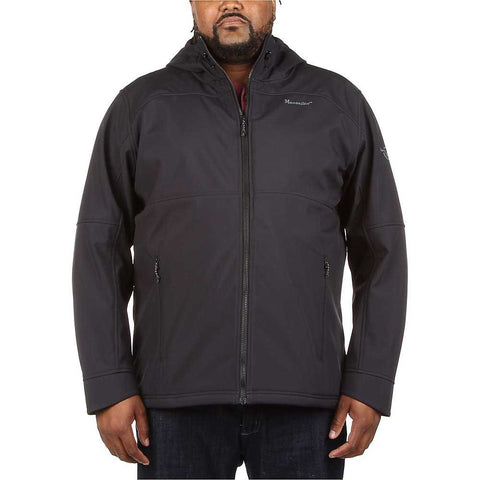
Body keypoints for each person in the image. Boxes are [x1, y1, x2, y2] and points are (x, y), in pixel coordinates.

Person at [71, 1, 408, 478]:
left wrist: (370, 381)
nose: (230, 2)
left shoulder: (336, 103)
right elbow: (98, 250)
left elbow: (381, 250)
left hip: (308, 404)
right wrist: (109, 385)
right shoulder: (141, 106)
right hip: (171, 404)